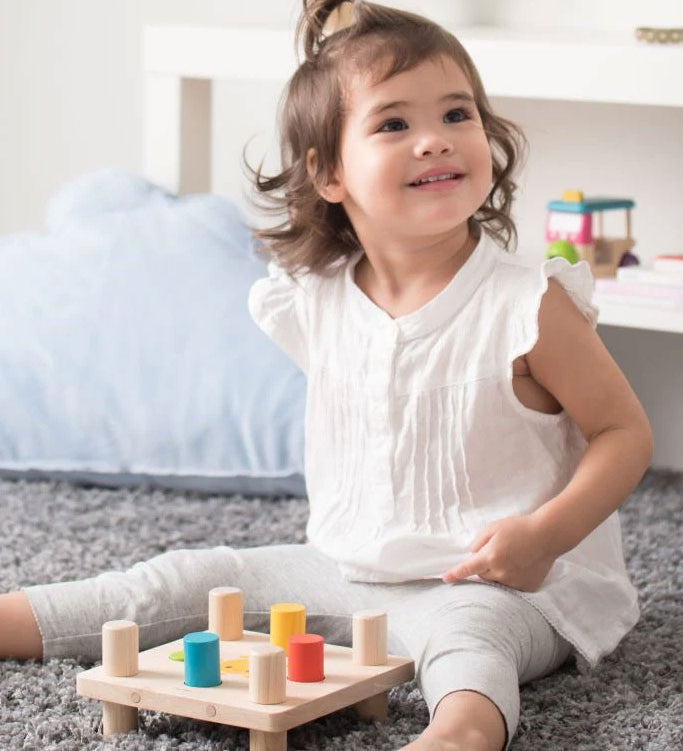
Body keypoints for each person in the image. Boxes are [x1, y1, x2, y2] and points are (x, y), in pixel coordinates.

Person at [0, 2, 653, 750]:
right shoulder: (313, 297)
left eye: (456, 113)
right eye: (392, 124)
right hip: (344, 568)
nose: (434, 138)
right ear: (329, 172)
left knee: (471, 652)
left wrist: (546, 533)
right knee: (185, 578)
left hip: (494, 582)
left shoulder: (526, 303)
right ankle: (15, 616)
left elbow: (622, 431)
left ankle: (459, 735)